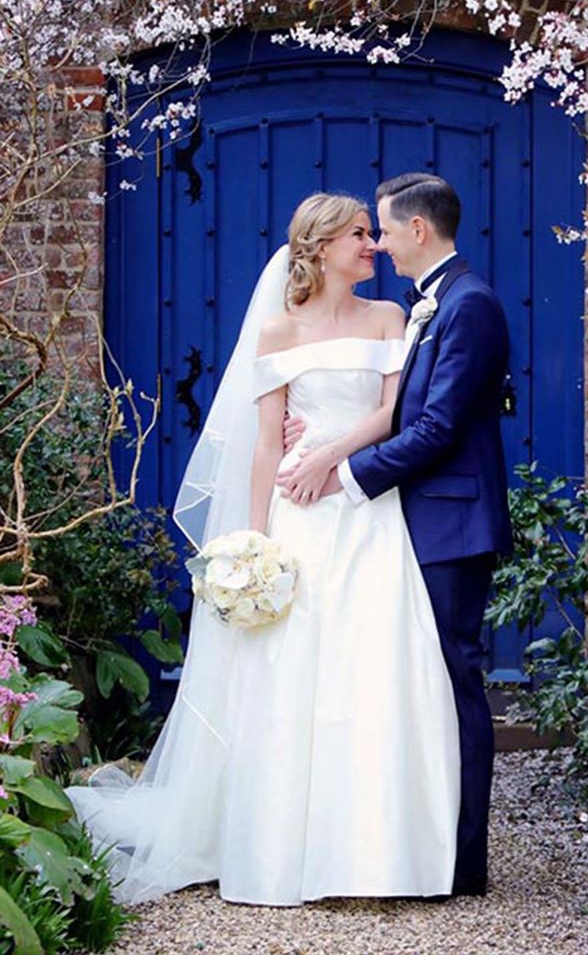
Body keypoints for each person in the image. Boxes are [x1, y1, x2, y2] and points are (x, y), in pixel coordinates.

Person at [66, 192, 461, 906]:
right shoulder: (278, 332)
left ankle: (372, 858)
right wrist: (253, 544)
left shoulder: (389, 318)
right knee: (288, 674)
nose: (371, 245)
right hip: (296, 515)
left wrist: (329, 457)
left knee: (372, 668)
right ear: (319, 249)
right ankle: (280, 850)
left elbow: (391, 412)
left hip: (364, 510)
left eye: (374, 233)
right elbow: (261, 444)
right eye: (358, 236)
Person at [277, 174, 513, 896]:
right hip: (414, 518)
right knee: (420, 689)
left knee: (452, 684)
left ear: (417, 231)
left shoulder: (469, 305)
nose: (376, 242)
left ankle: (461, 862)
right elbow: (400, 407)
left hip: (450, 521)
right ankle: (415, 841)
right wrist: (315, 431)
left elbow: (438, 428)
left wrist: (343, 470)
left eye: (382, 229)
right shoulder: (426, 305)